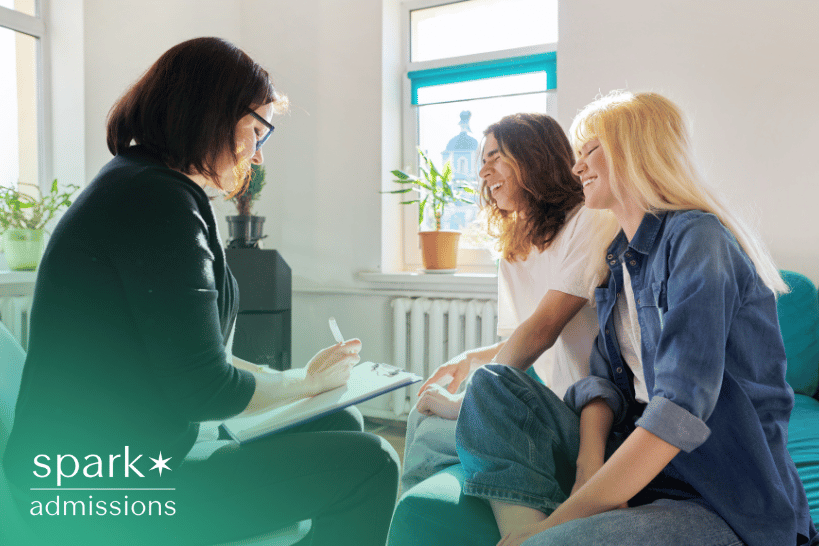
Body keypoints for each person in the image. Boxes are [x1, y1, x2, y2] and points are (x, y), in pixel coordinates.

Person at [2, 37, 399, 546]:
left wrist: (308, 380)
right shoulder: (154, 200)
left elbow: (195, 358)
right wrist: (304, 384)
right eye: (257, 130)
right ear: (212, 113)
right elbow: (206, 389)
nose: (257, 154)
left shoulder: (143, 184)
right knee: (372, 463)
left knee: (342, 418)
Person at [455, 90, 818, 546]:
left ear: (633, 151)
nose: (576, 166)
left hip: (715, 494)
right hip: (630, 455)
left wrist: (563, 520)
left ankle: (539, 534)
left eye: (590, 150)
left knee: (550, 538)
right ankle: (521, 532)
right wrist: (590, 467)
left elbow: (679, 409)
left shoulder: (698, 240)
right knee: (491, 384)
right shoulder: (618, 257)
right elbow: (603, 382)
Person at [401, 113, 609, 492]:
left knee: (430, 434)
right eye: (482, 162)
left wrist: (469, 401)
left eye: (495, 158)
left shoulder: (587, 221)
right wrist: (470, 359)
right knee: (422, 416)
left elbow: (542, 331)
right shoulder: (514, 250)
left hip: (580, 418)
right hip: (544, 403)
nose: (483, 172)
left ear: (535, 157)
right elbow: (518, 337)